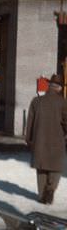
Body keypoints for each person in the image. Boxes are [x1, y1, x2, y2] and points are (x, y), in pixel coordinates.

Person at [25, 74, 67, 205]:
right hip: (57, 140)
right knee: (56, 168)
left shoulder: (36, 101)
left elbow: (30, 121)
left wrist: (29, 139)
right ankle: (50, 189)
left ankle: (41, 195)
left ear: (49, 86)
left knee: (41, 168)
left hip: (39, 140)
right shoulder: (63, 103)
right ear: (59, 88)